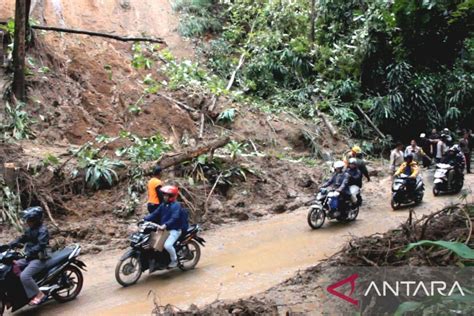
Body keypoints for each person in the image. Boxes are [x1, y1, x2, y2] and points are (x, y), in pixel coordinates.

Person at [8, 207, 49, 305]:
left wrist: (28, 253)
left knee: (24, 276)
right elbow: (23, 238)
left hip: (39, 258)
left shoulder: (43, 230)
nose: (27, 222)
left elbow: (41, 245)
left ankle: (39, 294)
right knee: (11, 266)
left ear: (35, 220)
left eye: (29, 220)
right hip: (29, 257)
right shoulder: (30, 229)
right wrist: (11, 244)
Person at [144, 185, 182, 269]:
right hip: (164, 229)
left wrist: (165, 225)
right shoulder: (163, 205)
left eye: (166, 195)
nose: (164, 196)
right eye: (164, 195)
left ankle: (174, 260)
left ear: (171, 196)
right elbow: (154, 214)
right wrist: (144, 219)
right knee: (152, 244)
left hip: (174, 230)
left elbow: (174, 218)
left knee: (167, 245)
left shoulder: (176, 206)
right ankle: (161, 261)